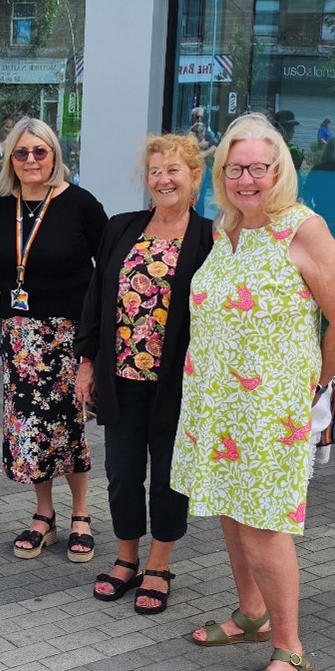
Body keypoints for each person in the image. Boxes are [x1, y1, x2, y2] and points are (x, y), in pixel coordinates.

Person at [171, 112, 335, 671]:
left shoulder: (302, 228)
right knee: (231, 512)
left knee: (263, 526)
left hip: (267, 411)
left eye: (258, 168)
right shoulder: (228, 227)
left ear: (279, 170)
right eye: (236, 168)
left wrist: (313, 386)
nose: (247, 178)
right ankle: (250, 616)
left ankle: (290, 648)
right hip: (215, 403)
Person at [74, 134, 214, 614]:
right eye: (156, 170)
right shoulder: (121, 229)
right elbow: (95, 302)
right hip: (121, 379)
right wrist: (87, 363)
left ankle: (159, 565)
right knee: (122, 474)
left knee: (170, 478)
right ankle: (126, 559)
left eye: (174, 170)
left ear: (195, 178)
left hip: (179, 384)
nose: (163, 179)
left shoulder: (211, 238)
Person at [0, 119, 108, 561]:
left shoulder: (80, 204)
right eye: (22, 152)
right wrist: (14, 309)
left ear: (55, 154)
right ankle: (43, 515)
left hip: (68, 335)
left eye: (40, 151)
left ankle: (80, 515)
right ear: (9, 158)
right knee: (30, 427)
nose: (31, 160)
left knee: (69, 425)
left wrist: (92, 332)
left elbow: (106, 267)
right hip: (20, 336)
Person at [299, 135, 335, 259]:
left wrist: (314, 213)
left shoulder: (317, 170)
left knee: (320, 257)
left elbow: (306, 194)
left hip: (322, 218)